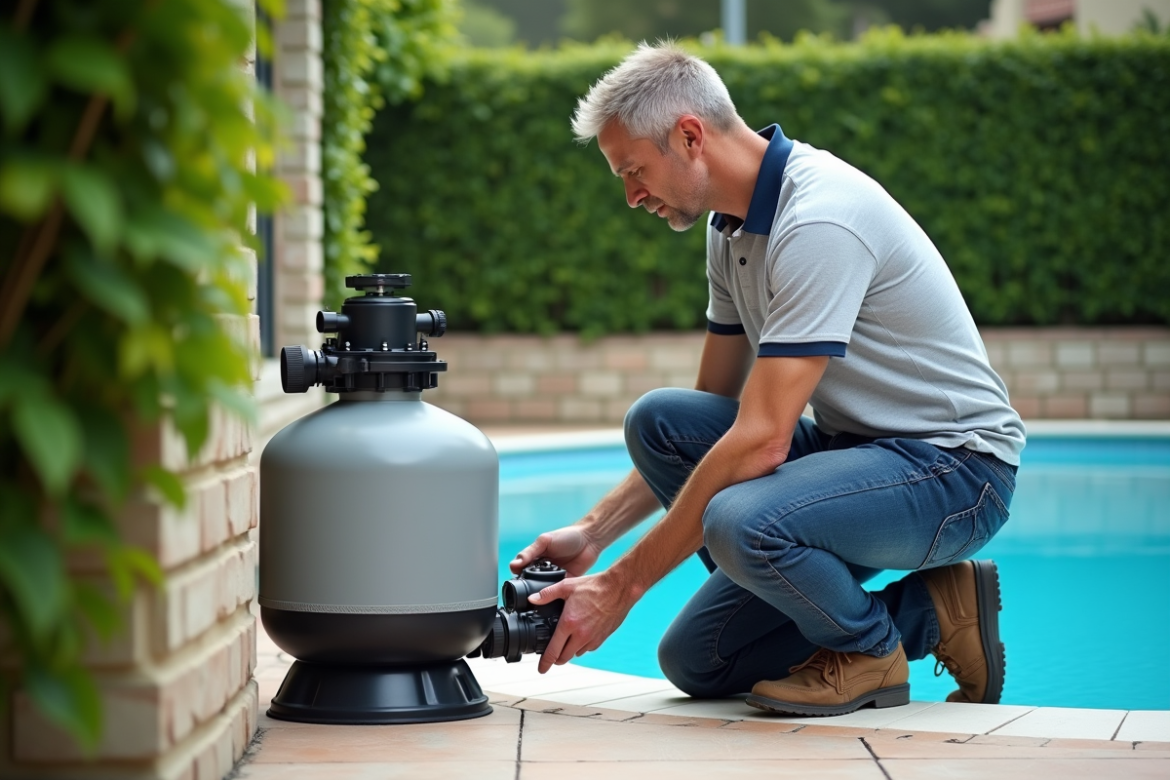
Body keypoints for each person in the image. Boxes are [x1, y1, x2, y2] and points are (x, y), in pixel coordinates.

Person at [510, 42, 1026, 716]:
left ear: (689, 136)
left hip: (956, 472)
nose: (632, 196)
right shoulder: (729, 229)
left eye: (634, 170)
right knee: (698, 646)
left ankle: (870, 652)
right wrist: (594, 532)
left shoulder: (820, 219)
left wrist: (622, 586)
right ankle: (933, 609)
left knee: (740, 518)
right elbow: (713, 417)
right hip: (861, 458)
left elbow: (760, 443)